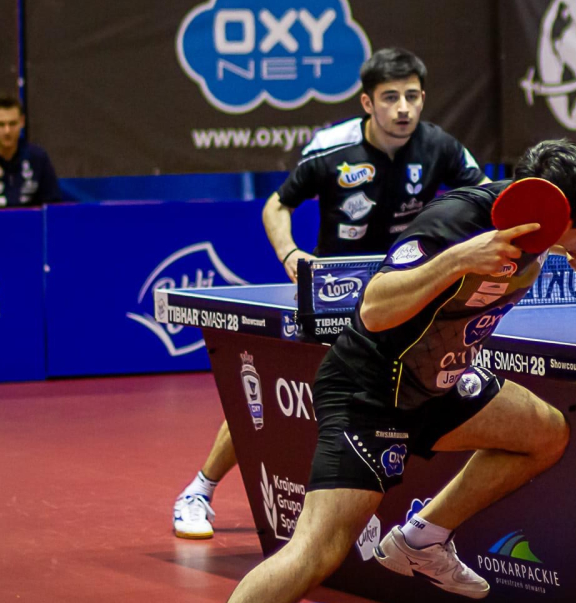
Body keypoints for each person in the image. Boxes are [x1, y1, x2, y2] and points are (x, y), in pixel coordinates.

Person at [153, 139, 576, 603]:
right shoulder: (457, 221)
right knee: (318, 549)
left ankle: (422, 539)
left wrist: (571, 242)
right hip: (371, 394)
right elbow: (373, 307)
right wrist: (458, 259)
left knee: (544, 432)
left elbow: (549, 235)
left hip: (439, 384)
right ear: (563, 211)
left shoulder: (539, 227)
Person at [173, 48, 489, 539]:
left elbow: (490, 199)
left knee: (420, 393)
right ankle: (199, 490)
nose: (403, 108)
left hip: (404, 293)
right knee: (281, 395)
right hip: (334, 294)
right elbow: (277, 205)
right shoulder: (331, 149)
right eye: (390, 98)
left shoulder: (440, 147)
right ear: (368, 102)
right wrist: (289, 254)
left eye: (412, 97)